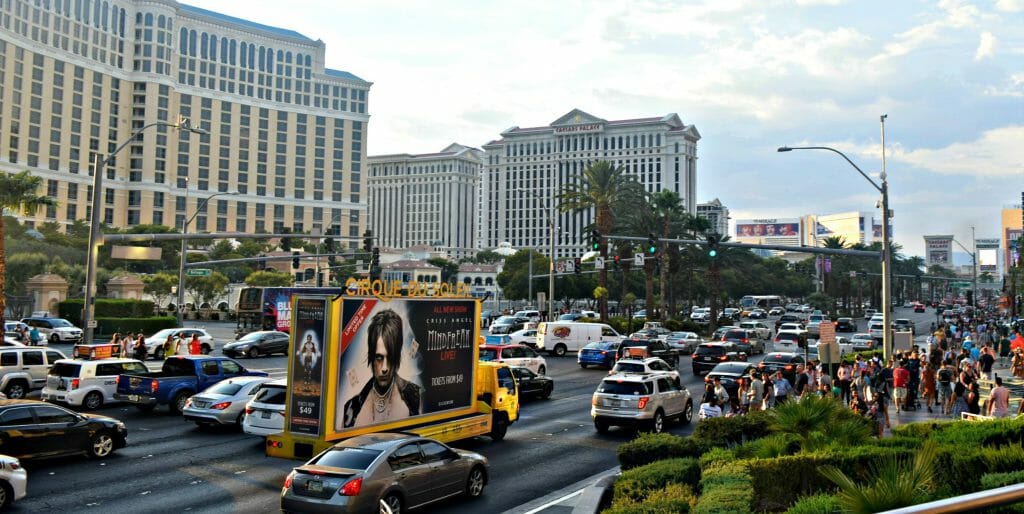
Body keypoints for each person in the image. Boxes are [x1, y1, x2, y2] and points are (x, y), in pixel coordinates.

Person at [343, 309, 422, 428]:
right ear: (371, 356)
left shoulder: (415, 397)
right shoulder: (351, 407)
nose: (385, 368)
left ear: (397, 356)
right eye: (379, 358)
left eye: (390, 357)